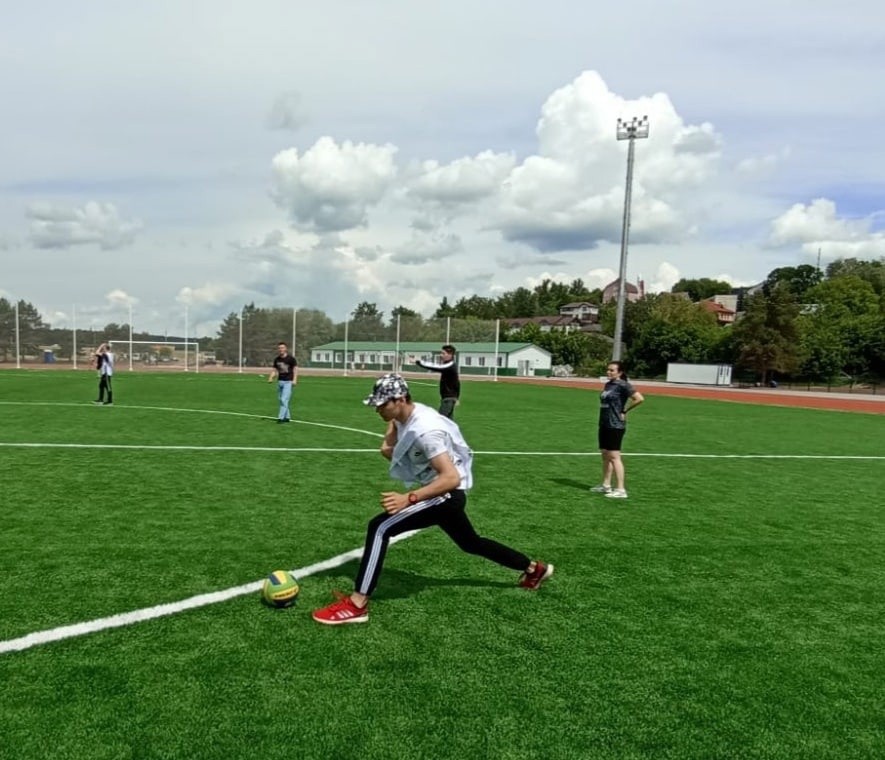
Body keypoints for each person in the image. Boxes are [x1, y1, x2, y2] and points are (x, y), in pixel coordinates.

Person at [312, 373, 553, 625]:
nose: (377, 409)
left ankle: (357, 604)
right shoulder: (406, 416)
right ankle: (534, 569)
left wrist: (409, 498)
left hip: (446, 494)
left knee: (380, 527)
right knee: (471, 543)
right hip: (443, 494)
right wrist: (392, 424)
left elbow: (450, 478)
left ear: (401, 399)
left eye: (382, 404)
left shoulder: (426, 431)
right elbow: (388, 449)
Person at [591, 361, 644, 499]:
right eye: (607, 370)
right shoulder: (608, 384)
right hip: (604, 424)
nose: (608, 372)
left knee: (614, 457)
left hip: (615, 425)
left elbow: (639, 398)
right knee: (605, 455)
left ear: (619, 372)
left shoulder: (623, 385)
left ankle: (621, 489)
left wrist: (624, 411)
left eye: (612, 370)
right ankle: (606, 485)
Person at [416, 344, 460, 419]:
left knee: (440, 420)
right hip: (449, 398)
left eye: (443, 353)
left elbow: (435, 366)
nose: (441, 355)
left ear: (450, 355)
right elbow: (457, 383)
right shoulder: (450, 365)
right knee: (448, 422)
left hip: (448, 399)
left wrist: (419, 362)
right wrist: (456, 398)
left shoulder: (450, 365)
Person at [268, 342, 298, 423]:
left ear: (285, 349)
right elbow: (274, 370)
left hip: (288, 382)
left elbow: (295, 369)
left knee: (283, 399)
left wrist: (295, 380)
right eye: (279, 348)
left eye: (282, 348)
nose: (281, 349)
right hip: (280, 381)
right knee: (281, 400)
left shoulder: (291, 359)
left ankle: (280, 418)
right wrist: (271, 377)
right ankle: (287, 417)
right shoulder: (277, 359)